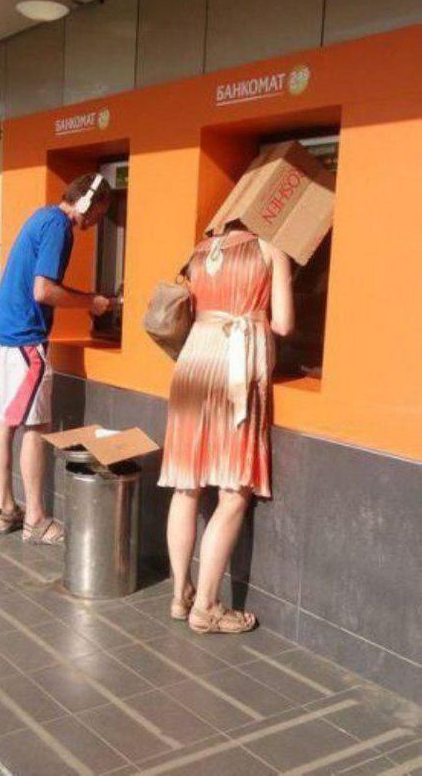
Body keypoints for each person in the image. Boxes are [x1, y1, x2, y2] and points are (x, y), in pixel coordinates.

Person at [158, 225, 294, 633]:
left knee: (185, 484)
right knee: (233, 491)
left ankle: (180, 594)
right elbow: (284, 324)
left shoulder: (200, 250)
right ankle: (207, 607)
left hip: (192, 363)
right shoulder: (270, 247)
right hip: (235, 364)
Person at [0, 173, 113, 545]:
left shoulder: (41, 216)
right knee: (37, 427)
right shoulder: (59, 227)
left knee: (4, 422)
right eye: (100, 213)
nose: (98, 222)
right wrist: (92, 301)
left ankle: (7, 509)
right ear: (87, 203)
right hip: (24, 341)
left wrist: (86, 298)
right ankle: (36, 520)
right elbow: (43, 291)